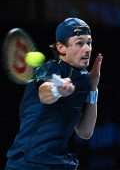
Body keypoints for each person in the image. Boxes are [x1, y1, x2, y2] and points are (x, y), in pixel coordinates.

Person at [5, 17, 103, 170]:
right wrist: (57, 90)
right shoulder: (52, 68)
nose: (87, 49)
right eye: (79, 43)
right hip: (28, 161)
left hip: (60, 162)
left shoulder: (83, 78)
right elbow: (44, 93)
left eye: (89, 42)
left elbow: (84, 132)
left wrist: (93, 89)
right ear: (61, 48)